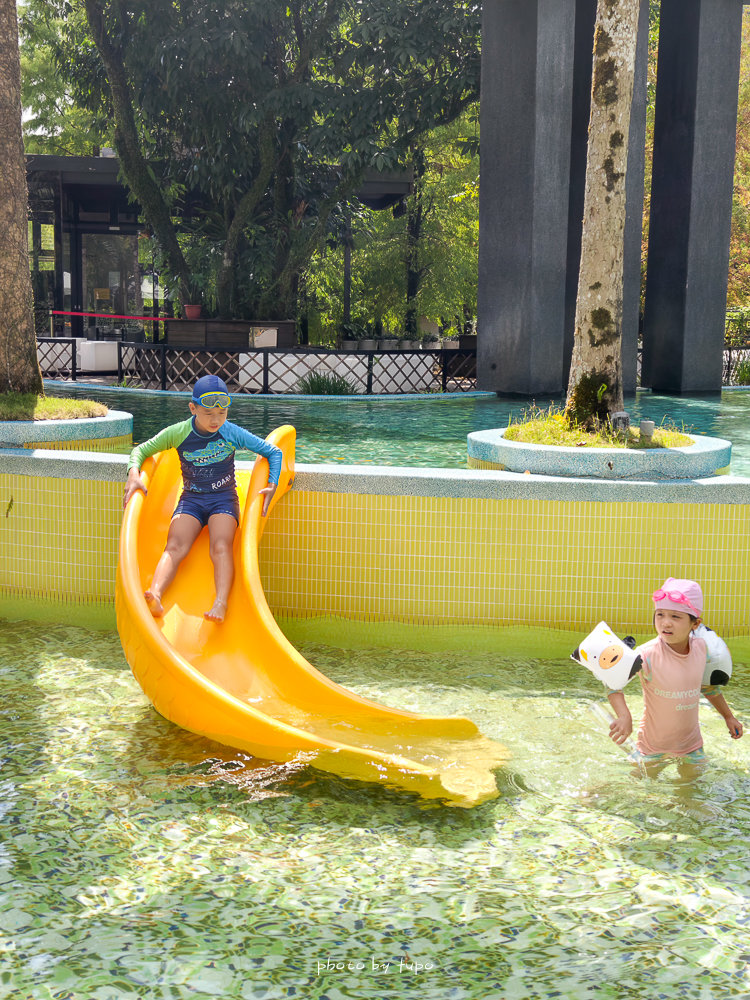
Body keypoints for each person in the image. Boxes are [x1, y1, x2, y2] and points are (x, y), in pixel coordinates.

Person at [123, 375, 282, 623]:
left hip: (224, 500)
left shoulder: (230, 432)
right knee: (175, 545)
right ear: (193, 408)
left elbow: (273, 452)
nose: (216, 419)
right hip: (192, 500)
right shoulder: (178, 433)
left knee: (220, 547)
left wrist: (272, 484)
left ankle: (220, 604)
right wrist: (134, 473)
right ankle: (155, 594)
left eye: (222, 412)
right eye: (208, 413)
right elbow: (140, 450)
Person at [607, 578, 743, 768]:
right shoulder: (647, 655)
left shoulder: (702, 649)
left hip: (691, 746)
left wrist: (728, 716)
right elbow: (613, 683)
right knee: (642, 792)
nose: (666, 623)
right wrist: (624, 716)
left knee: (692, 795)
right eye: (660, 614)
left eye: (675, 617)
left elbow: (707, 688)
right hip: (652, 748)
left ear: (695, 624)